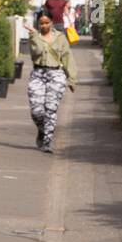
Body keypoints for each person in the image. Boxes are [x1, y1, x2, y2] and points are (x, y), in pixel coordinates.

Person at [23, 11, 77, 153]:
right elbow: (37, 52)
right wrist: (35, 35)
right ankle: (42, 130)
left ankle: (47, 142)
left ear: (52, 22)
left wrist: (72, 79)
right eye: (41, 23)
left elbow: (67, 57)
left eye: (47, 23)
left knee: (51, 109)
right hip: (38, 74)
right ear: (38, 24)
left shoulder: (60, 38)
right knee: (37, 111)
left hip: (56, 74)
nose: (44, 25)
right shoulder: (35, 37)